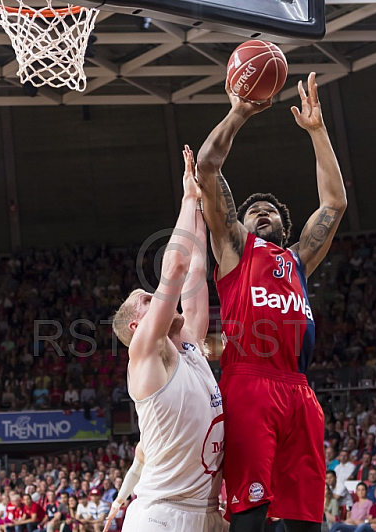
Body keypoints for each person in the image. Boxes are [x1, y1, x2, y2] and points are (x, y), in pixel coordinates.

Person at [197, 72, 345, 532]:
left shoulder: (299, 259)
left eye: (270, 210)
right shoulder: (236, 250)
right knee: (251, 516)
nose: (261, 212)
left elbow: (334, 205)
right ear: (238, 224)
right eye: (251, 210)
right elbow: (206, 168)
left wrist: (318, 132)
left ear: (284, 222)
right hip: (250, 385)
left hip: (299, 389)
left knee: (306, 519)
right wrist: (240, 111)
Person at [111, 147, 225, 531]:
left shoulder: (190, 344)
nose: (154, 296)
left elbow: (194, 267)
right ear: (135, 327)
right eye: (146, 300)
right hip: (161, 514)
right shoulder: (145, 355)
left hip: (205, 513)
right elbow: (174, 265)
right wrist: (187, 197)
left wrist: (200, 199)